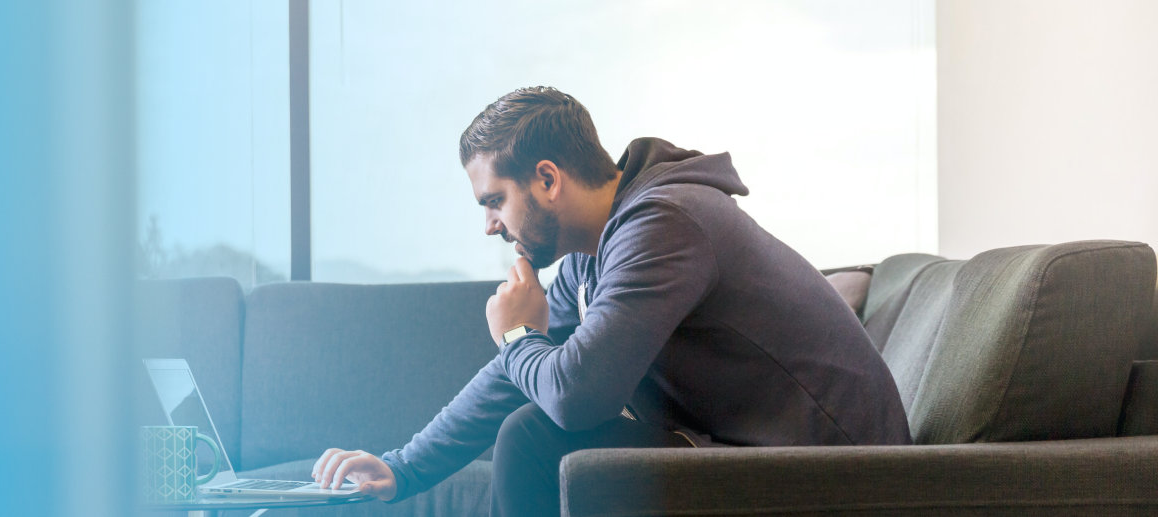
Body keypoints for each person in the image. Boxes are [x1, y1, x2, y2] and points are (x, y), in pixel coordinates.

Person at [308, 86, 911, 516]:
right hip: (748, 452)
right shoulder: (595, 257)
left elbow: (574, 395)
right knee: (531, 426)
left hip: (838, 470)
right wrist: (404, 467)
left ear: (547, 179)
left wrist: (519, 336)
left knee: (536, 439)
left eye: (494, 200)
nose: (490, 225)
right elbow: (512, 380)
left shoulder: (666, 225)